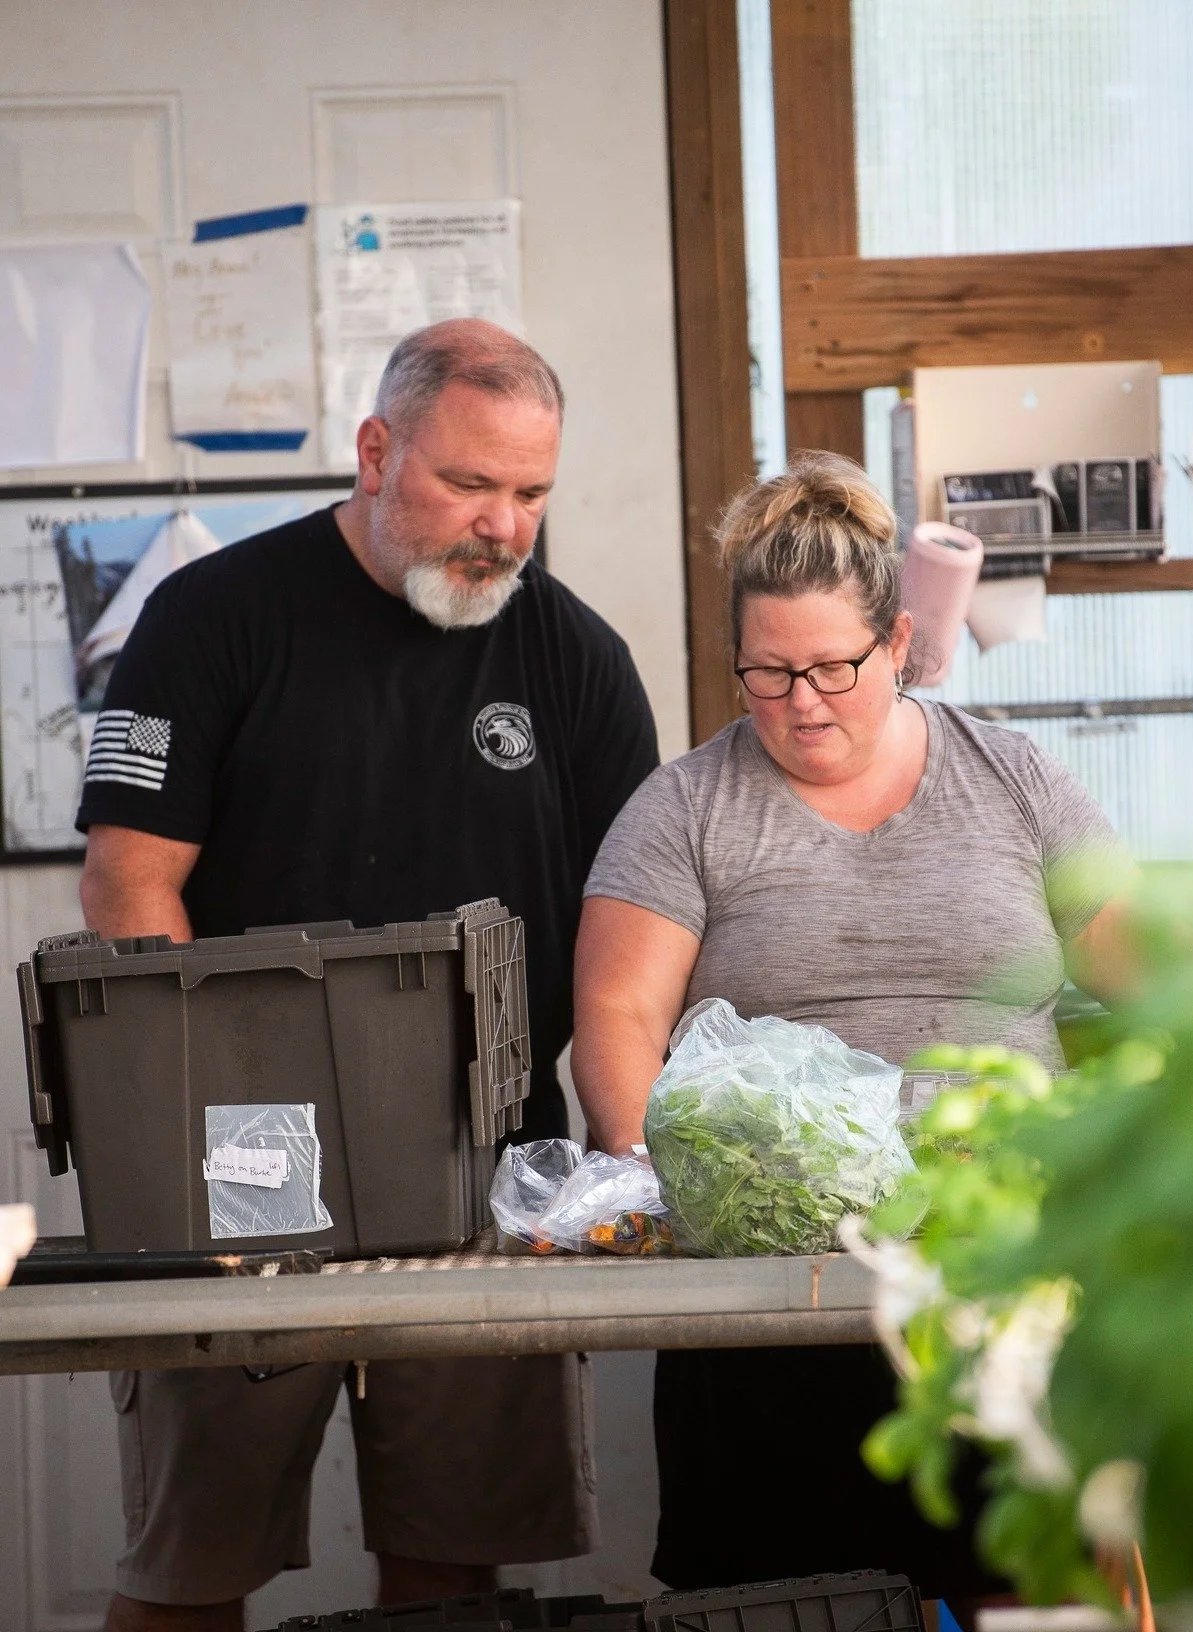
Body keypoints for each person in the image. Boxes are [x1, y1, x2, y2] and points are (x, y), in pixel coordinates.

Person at [78, 319, 659, 1632]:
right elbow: (129, 884)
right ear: (376, 452)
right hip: (241, 1163)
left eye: (532, 494)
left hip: (483, 1167)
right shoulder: (212, 618)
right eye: (469, 484)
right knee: (189, 1568)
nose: (504, 525)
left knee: (452, 1568)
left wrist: (624, 1151)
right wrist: (188, 1141)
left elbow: (634, 940)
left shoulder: (575, 661)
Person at [572, 450, 1138, 1598]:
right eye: (767, 674)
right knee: (790, 1601)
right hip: (771, 1302)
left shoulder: (1012, 778)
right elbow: (619, 1019)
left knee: (1029, 1594)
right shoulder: (685, 808)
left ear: (898, 647)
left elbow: (1146, 963)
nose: (802, 703)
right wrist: (660, 1189)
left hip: (1000, 1281)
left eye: (833, 668)